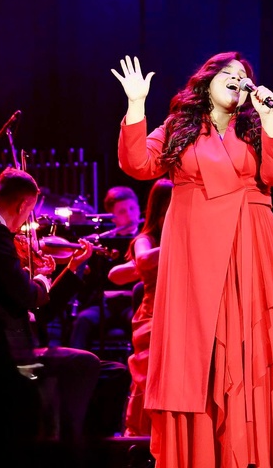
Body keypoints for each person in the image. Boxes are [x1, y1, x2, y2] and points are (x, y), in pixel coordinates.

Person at [113, 53, 273, 467]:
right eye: (228, 73)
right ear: (207, 81)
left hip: (250, 243)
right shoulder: (179, 127)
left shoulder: (254, 128)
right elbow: (138, 164)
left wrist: (269, 117)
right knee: (198, 352)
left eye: (244, 76)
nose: (237, 79)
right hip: (194, 248)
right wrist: (136, 104)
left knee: (251, 348)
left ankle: (255, 451)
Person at [0, 168, 100, 459]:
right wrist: (40, 279)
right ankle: (68, 452)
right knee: (86, 364)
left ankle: (59, 445)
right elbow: (29, 296)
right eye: (29, 212)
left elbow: (32, 306)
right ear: (23, 205)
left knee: (92, 367)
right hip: (1, 357)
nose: (26, 221)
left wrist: (69, 270)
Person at [106, 178, 173, 436]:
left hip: (182, 313)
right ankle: (142, 435)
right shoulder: (146, 238)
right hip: (154, 316)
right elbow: (143, 260)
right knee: (151, 375)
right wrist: (181, 238)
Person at [69, 185, 141, 352]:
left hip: (133, 305)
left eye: (132, 209)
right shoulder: (103, 244)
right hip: (106, 305)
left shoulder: (145, 241)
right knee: (83, 320)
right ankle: (78, 365)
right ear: (112, 218)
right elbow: (93, 281)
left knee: (140, 323)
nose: (129, 215)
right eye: (122, 211)